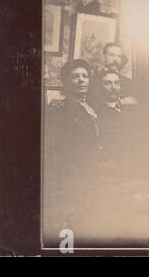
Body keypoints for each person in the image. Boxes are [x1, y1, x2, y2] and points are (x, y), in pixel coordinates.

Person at [44, 59, 101, 228]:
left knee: (87, 215)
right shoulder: (59, 108)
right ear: (66, 81)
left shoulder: (91, 106)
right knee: (70, 217)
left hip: (91, 169)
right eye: (75, 76)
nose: (81, 80)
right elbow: (53, 146)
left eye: (85, 76)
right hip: (70, 171)